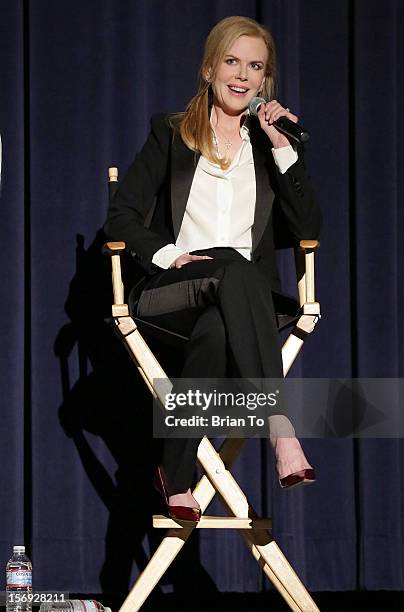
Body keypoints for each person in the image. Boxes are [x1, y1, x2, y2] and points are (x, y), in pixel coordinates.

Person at [104, 16, 321, 521]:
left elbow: (310, 226)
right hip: (171, 289)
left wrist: (286, 149)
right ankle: (280, 424)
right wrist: (169, 256)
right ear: (208, 68)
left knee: (218, 329)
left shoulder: (273, 149)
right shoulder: (171, 134)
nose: (243, 75)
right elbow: (122, 216)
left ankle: (175, 475)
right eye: (232, 61)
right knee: (228, 264)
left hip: (240, 303)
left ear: (265, 81)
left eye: (256, 67)